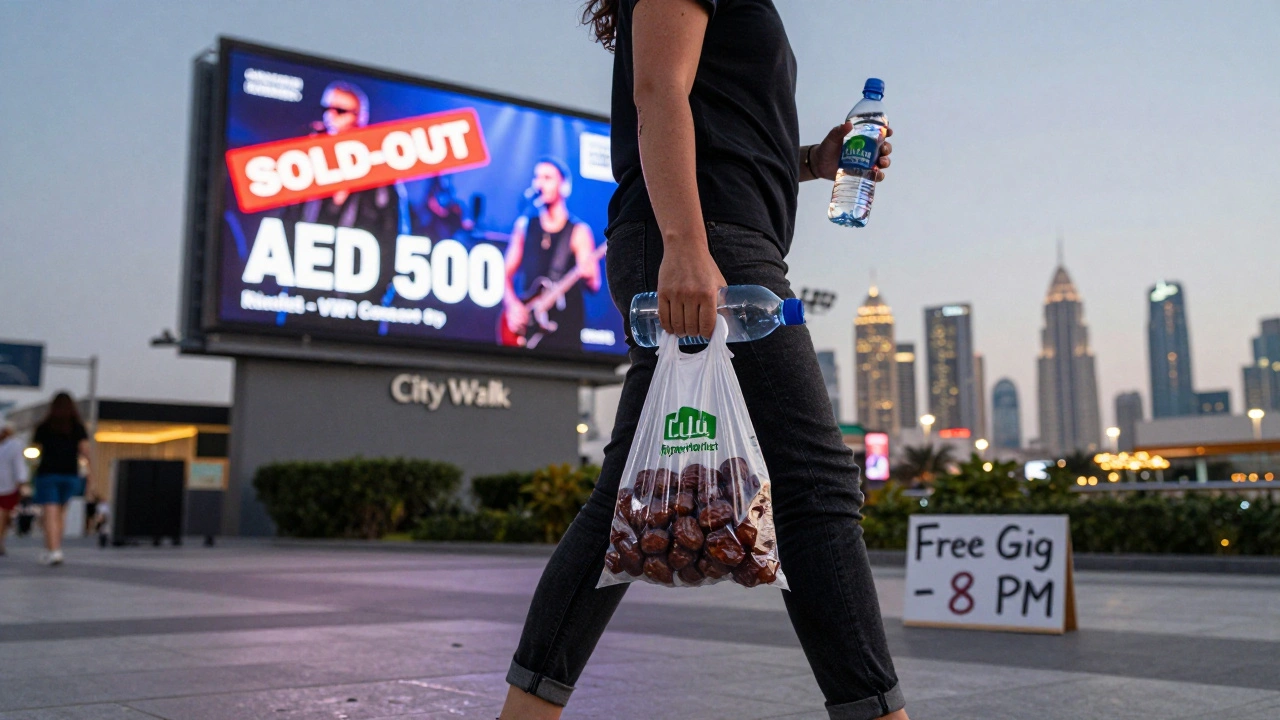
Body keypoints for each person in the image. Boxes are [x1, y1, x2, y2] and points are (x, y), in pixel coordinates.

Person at [498, 2, 905, 719]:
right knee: (814, 487)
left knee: (628, 495)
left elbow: (727, 132)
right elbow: (659, 91)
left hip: (715, 235)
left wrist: (816, 161)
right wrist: (686, 247)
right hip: (710, 242)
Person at [501, 157, 602, 351]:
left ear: (564, 186)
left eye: (547, 178)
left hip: (565, 333)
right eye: (537, 177)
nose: (540, 184)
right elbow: (505, 275)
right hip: (529, 331)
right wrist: (513, 306)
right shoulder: (524, 226)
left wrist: (589, 276)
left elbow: (594, 284)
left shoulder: (578, 231)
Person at [30, 392, 90, 566]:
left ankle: (53, 550)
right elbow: (85, 452)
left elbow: (34, 451)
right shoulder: (77, 427)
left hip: (48, 473)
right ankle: (53, 548)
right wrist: (90, 476)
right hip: (70, 475)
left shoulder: (44, 426)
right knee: (61, 514)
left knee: (50, 513)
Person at [0, 422, 30, 556]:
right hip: (8, 485)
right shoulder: (15, 445)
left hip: (8, 485)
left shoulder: (13, 445)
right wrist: (22, 481)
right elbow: (19, 465)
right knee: (4, 513)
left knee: (4, 513)